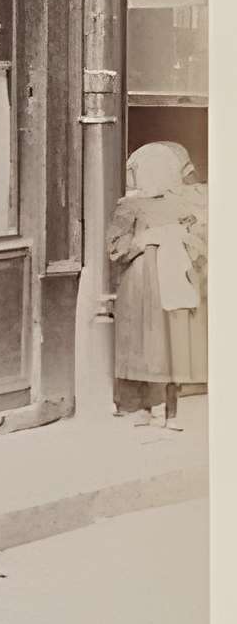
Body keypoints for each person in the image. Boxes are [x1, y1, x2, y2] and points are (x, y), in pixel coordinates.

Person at [108, 140, 208, 433]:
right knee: (146, 344)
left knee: (170, 344)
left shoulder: (180, 205)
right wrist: (145, 239)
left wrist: (182, 239)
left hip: (171, 280)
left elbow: (200, 242)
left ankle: (169, 409)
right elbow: (115, 248)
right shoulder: (130, 207)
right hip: (141, 285)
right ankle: (147, 408)